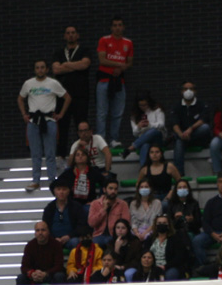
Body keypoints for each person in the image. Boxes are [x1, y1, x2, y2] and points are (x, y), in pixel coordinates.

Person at [17, 59, 70, 192]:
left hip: (49, 120)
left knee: (50, 153)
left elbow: (67, 98)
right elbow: (20, 99)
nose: (40, 70)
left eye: (42, 67)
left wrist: (61, 114)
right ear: (34, 70)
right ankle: (36, 181)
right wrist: (24, 114)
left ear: (47, 69)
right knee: (35, 153)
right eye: (37, 67)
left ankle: (52, 181)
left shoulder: (53, 83)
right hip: (33, 121)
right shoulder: (28, 83)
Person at [51, 26, 93, 156]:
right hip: (62, 97)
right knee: (62, 126)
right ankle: (61, 156)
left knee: (81, 127)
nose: (70, 35)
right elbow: (56, 70)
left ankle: (83, 155)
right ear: (64, 36)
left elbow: (85, 64)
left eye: (73, 33)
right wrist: (76, 66)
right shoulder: (59, 52)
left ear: (77, 35)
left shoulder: (84, 50)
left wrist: (66, 64)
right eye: (68, 33)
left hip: (80, 95)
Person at [96, 16, 134, 147]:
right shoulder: (104, 40)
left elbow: (129, 62)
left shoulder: (128, 43)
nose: (117, 28)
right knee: (102, 112)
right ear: (111, 28)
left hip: (119, 81)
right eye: (115, 25)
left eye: (120, 25)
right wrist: (119, 64)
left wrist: (122, 68)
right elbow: (102, 60)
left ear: (123, 27)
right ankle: (101, 140)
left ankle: (114, 139)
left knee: (117, 112)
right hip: (104, 80)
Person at [17, 221, 66, 285]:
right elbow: (24, 267)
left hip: (51, 275)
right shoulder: (30, 245)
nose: (40, 233)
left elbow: (59, 265)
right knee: (21, 278)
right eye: (37, 230)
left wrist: (46, 273)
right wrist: (32, 273)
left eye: (43, 230)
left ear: (48, 232)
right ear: (35, 233)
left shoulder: (56, 244)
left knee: (60, 276)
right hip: (35, 276)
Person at [171, 81, 212, 173]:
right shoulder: (176, 106)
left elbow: (203, 120)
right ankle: (179, 174)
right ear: (181, 91)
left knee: (205, 128)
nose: (188, 91)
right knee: (179, 141)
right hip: (183, 136)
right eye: (185, 89)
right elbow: (174, 123)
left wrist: (190, 129)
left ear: (195, 91)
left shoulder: (202, 105)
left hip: (198, 136)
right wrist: (181, 135)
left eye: (191, 89)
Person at [141, 213, 192, 280]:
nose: (161, 224)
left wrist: (165, 266)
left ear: (168, 225)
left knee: (170, 274)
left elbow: (179, 257)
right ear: (155, 225)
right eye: (159, 223)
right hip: (152, 267)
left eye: (164, 223)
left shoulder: (175, 239)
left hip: (170, 267)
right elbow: (144, 253)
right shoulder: (150, 239)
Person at [43, 177, 88, 248]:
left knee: (75, 242)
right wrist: (54, 238)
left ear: (68, 191)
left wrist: (69, 236)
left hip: (71, 238)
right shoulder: (49, 208)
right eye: (58, 189)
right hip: (53, 239)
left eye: (64, 189)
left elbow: (82, 225)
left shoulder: (76, 206)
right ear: (54, 191)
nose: (61, 192)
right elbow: (45, 226)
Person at [124, 92, 166, 166]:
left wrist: (150, 125)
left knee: (153, 131)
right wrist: (138, 127)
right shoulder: (134, 114)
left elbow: (162, 124)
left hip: (157, 139)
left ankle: (131, 148)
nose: (143, 107)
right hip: (142, 140)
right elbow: (134, 133)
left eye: (145, 105)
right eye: (141, 105)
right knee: (145, 145)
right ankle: (144, 169)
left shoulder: (157, 110)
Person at [88, 178, 129, 246]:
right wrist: (103, 209)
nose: (113, 191)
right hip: (99, 235)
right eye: (110, 188)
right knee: (94, 245)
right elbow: (91, 223)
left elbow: (126, 223)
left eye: (115, 189)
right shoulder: (95, 203)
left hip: (116, 235)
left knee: (112, 242)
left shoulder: (123, 204)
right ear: (104, 189)